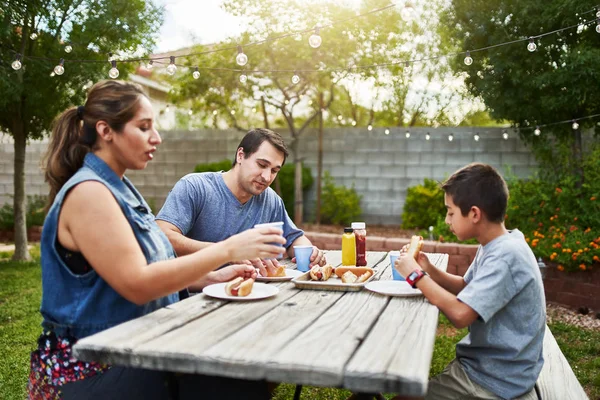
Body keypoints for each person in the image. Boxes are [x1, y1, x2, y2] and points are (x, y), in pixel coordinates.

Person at [28, 80, 284, 400]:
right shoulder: (90, 193)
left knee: (245, 370)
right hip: (91, 367)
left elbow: (151, 266)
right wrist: (228, 249)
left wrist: (209, 278)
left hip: (138, 346)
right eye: (144, 127)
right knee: (234, 382)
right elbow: (137, 284)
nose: (157, 137)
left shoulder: (121, 189)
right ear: (106, 131)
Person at [393, 163, 546, 400]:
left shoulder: (505, 256)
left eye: (451, 212)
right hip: (495, 368)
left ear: (474, 214)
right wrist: (428, 268)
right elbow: (467, 288)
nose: (446, 220)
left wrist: (416, 276)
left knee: (406, 396)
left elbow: (461, 314)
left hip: (494, 380)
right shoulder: (498, 244)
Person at [156, 128, 326, 286]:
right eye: (261, 165)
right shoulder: (195, 187)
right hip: (193, 295)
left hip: (252, 294)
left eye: (274, 170)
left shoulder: (270, 200)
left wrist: (310, 252)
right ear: (240, 156)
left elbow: (293, 239)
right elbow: (162, 236)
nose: (267, 177)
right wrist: (229, 253)